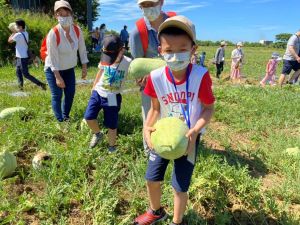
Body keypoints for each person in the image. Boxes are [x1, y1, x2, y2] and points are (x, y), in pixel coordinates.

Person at [134, 16, 215, 225]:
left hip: (188, 138)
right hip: (161, 135)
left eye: (182, 49)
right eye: (169, 50)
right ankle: (155, 211)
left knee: (180, 185)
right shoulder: (156, 77)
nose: (175, 55)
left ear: (193, 49)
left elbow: (208, 108)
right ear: (160, 51)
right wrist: (147, 127)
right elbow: (154, 108)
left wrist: (196, 130)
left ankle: (176, 221)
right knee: (152, 178)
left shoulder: (201, 76)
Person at [129, 0, 176, 153]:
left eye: (152, 3)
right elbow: (138, 64)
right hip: (150, 84)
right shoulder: (137, 32)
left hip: (175, 79)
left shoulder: (175, 23)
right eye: (144, 5)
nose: (148, 8)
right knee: (150, 116)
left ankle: (171, 146)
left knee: (172, 114)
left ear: (161, 2)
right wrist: (142, 76)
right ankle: (150, 151)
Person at [84, 35, 131, 152]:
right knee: (89, 117)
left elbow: (137, 73)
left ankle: (111, 146)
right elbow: (100, 71)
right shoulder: (105, 57)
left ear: (122, 50)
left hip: (112, 96)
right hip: (98, 92)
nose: (110, 59)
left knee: (112, 123)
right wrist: (93, 87)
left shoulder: (128, 62)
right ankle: (98, 134)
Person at [44, 0, 89, 122]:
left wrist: (84, 66)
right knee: (57, 95)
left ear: (71, 14)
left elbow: (82, 49)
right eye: (61, 14)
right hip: (53, 69)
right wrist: (58, 77)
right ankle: (60, 121)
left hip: (69, 68)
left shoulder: (77, 30)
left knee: (70, 93)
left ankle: (65, 116)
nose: (64, 17)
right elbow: (53, 58)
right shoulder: (53, 33)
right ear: (56, 16)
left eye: (66, 14)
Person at [8, 19, 46, 91]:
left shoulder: (18, 34)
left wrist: (13, 32)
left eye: (16, 25)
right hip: (20, 57)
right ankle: (20, 88)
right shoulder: (26, 33)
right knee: (18, 72)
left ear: (20, 27)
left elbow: (9, 41)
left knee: (25, 74)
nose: (15, 26)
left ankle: (41, 84)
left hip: (22, 58)